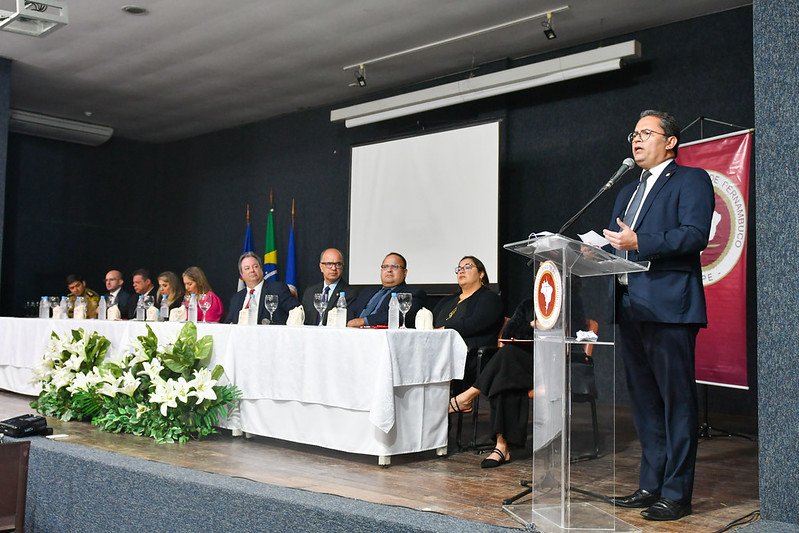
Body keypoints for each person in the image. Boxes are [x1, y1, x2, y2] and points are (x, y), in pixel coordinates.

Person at [602, 110, 714, 521]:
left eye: (646, 133)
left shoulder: (691, 180)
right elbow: (615, 245)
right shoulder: (626, 192)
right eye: (634, 133)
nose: (636, 140)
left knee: (677, 402)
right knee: (645, 403)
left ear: (670, 141)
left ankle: (677, 492)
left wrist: (640, 241)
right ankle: (651, 484)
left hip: (669, 307)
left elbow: (694, 235)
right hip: (630, 306)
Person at [448, 293, 588, 469]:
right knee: (506, 370)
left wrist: (551, 327)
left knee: (506, 365)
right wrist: (531, 325)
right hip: (523, 365)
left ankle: (468, 398)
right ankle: (501, 446)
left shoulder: (569, 304)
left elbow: (578, 336)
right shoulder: (529, 305)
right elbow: (509, 332)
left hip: (551, 365)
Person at [432, 256, 504, 392]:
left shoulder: (490, 298)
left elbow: (477, 322)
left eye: (467, 267)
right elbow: (434, 321)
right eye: (459, 269)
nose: (461, 271)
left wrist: (446, 329)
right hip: (441, 346)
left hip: (471, 351)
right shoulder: (447, 301)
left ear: (481, 274)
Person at [346, 252, 425, 328]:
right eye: (385, 266)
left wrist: (365, 321)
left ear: (404, 272)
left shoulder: (413, 293)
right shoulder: (367, 292)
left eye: (395, 266)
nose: (389, 270)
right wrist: (349, 321)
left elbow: (399, 316)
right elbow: (350, 311)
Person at [224, 252, 301, 325]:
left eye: (255, 266)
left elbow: (296, 310)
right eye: (247, 268)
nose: (252, 270)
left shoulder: (277, 289)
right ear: (242, 274)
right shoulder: (236, 298)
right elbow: (229, 324)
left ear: (261, 269)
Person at [301, 248, 356, 325]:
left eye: (338, 264)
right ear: (321, 267)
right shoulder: (310, 292)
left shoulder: (351, 293)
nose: (333, 268)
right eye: (329, 264)